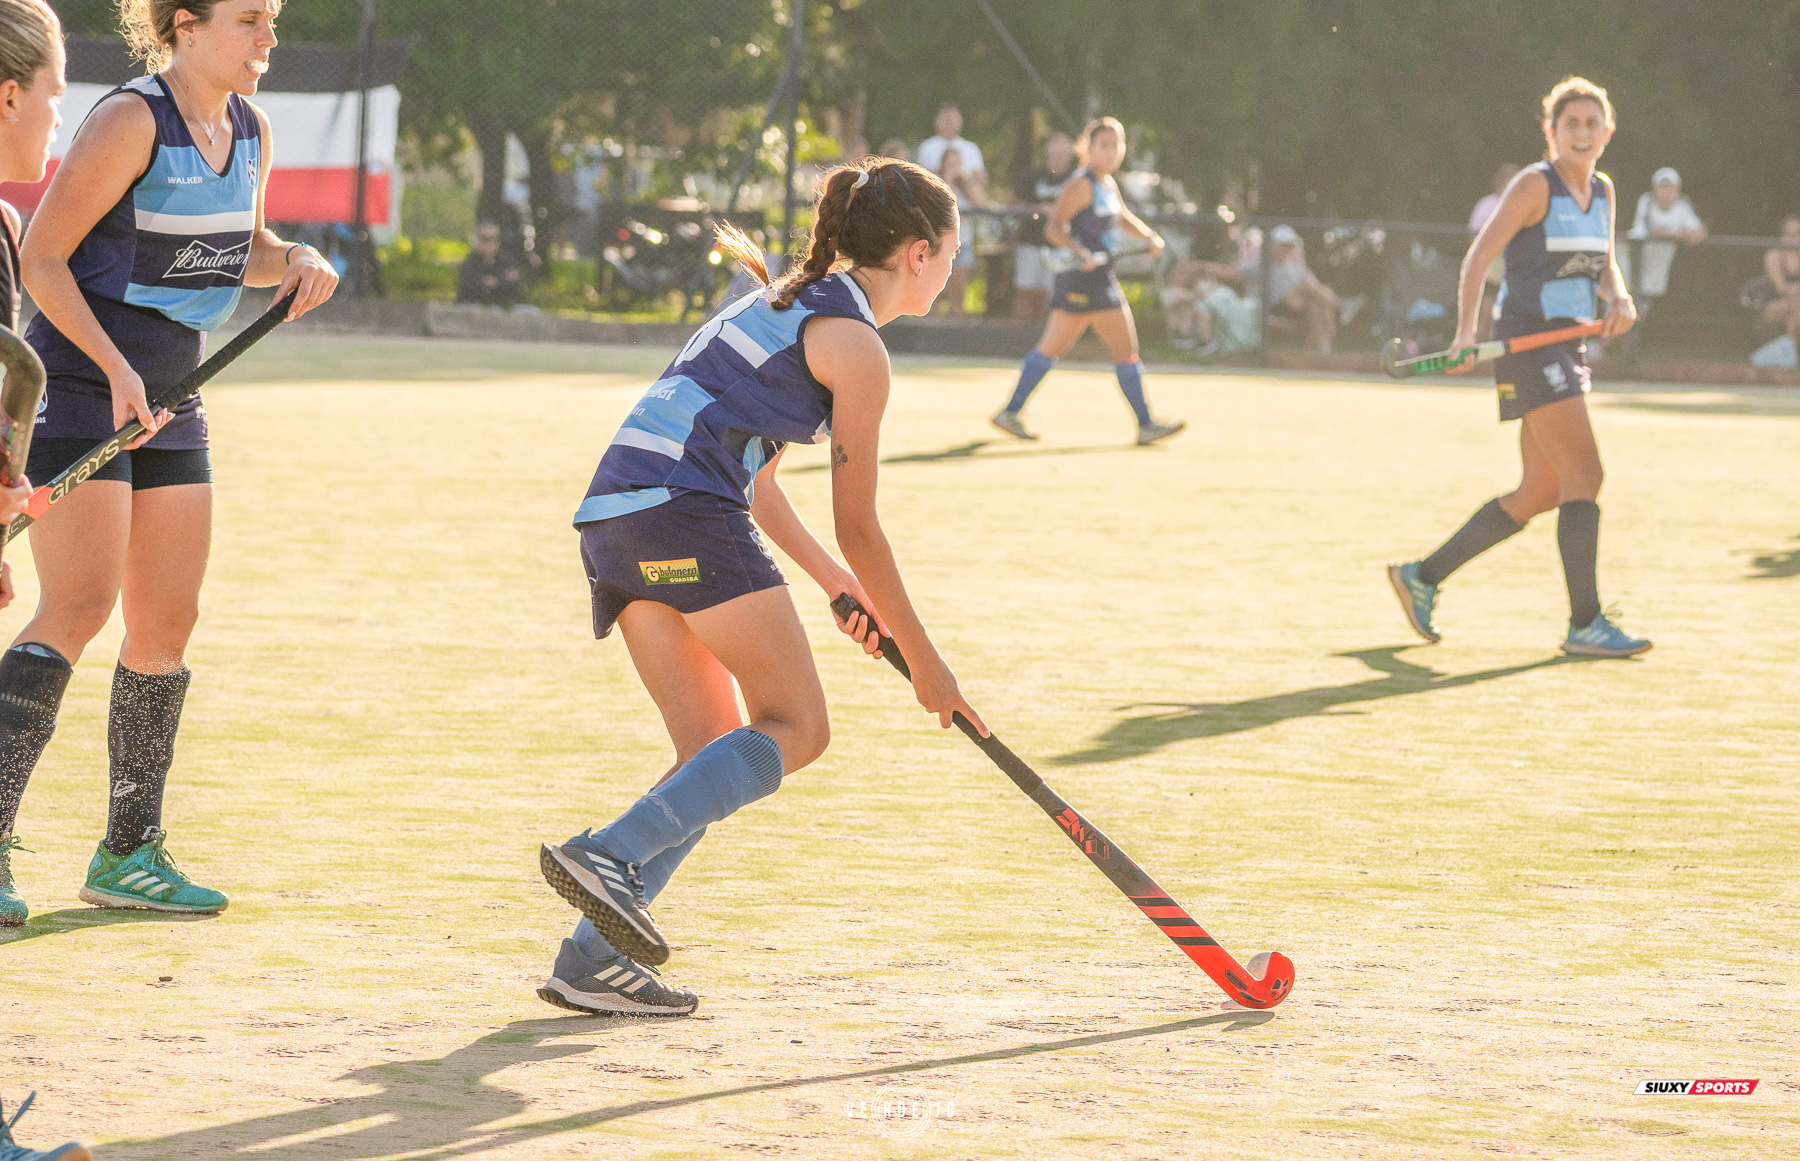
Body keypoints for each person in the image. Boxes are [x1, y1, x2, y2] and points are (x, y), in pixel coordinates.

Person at [535, 158, 988, 1016]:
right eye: (955, 252)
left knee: (713, 749)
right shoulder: (858, 347)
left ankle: (592, 957)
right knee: (799, 726)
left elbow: (765, 484)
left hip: (617, 518)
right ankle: (608, 855)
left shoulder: (786, 303)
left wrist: (836, 586)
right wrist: (930, 665)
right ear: (920, 252)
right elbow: (860, 518)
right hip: (681, 512)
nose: (957, 269)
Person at [2, 0, 340, 930]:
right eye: (248, 20)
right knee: (77, 605)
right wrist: (111, 368)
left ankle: (128, 850)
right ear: (184, 27)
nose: (268, 37)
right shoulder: (127, 120)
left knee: (166, 624)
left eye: (271, 19)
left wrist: (297, 258)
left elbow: (243, 253)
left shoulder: (250, 128)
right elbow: (43, 260)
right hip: (81, 393)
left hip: (173, 401)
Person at [1388, 76, 1648, 658]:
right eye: (1569, 124)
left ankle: (1421, 577)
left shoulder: (1603, 191)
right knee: (1587, 474)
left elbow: (1601, 265)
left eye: (1591, 123)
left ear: (1608, 131)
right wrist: (1464, 333)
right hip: (1530, 343)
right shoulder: (1535, 186)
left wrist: (1620, 297)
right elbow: (1479, 256)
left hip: (1570, 344)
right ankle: (1586, 624)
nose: (1581, 133)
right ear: (1551, 133)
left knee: (1542, 489)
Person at [990, 117, 1184, 446]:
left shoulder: (1106, 184)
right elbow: (1054, 229)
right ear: (1089, 149)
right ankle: (1145, 424)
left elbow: (1121, 217)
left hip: (1099, 277)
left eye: (1116, 145)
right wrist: (1080, 251)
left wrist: (1149, 236)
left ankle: (1010, 412)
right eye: (1104, 145)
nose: (1111, 152)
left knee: (1110, 351)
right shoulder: (1080, 184)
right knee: (1076, 350)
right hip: (1081, 280)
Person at [1623, 167, 1705, 342]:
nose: (1666, 191)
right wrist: (1681, 236)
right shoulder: (1646, 201)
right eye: (1662, 187)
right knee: (1621, 304)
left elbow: (1699, 231)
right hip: (1633, 260)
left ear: (1678, 188)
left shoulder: (1683, 205)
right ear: (1655, 189)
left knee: (1639, 310)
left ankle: (1623, 352)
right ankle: (1605, 347)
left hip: (1657, 266)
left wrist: (1694, 235)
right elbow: (1652, 231)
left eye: (1670, 187)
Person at [1010, 131, 1074, 321]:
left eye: (1063, 154)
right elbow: (1013, 203)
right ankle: (1020, 336)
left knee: (1055, 296)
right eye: (1055, 154)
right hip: (1030, 242)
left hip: (1061, 246)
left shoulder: (1076, 180)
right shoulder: (1033, 176)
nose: (1059, 158)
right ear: (1048, 154)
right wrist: (1039, 209)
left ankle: (1047, 340)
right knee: (1025, 290)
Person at [933, 146, 987, 317]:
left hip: (964, 243)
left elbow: (982, 204)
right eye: (951, 163)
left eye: (958, 163)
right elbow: (939, 203)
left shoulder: (968, 183)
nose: (955, 167)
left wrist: (967, 181)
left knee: (958, 292)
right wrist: (948, 179)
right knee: (933, 293)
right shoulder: (936, 182)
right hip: (938, 243)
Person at [1470, 163, 1521, 339]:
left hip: (1517, 267)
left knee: (1513, 315)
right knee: (1487, 312)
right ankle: (1476, 355)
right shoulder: (1485, 205)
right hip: (1492, 267)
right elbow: (1473, 237)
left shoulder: (1523, 203)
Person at [914, 104, 985, 201]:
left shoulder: (971, 148)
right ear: (937, 122)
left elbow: (981, 179)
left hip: (969, 205)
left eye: (953, 120)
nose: (950, 123)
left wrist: (962, 176)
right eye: (946, 120)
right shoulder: (927, 148)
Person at [456, 219, 522, 308]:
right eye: (486, 239)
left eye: (496, 238)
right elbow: (473, 291)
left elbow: (514, 290)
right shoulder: (468, 265)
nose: (492, 243)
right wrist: (502, 280)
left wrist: (494, 282)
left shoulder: (505, 261)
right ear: (477, 240)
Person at [1759, 214, 1800, 348]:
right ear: (1782, 236)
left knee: (1793, 318)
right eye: (1790, 234)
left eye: (1797, 233)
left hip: (1795, 307)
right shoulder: (1774, 256)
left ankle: (1789, 362)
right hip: (1774, 305)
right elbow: (1781, 287)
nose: (1794, 238)